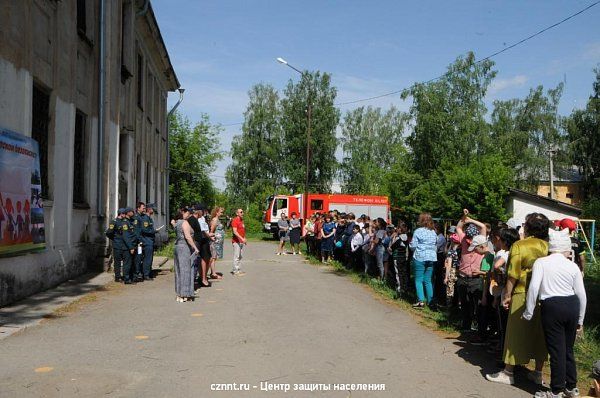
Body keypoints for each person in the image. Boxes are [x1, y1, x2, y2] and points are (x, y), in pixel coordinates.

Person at [486, 212, 550, 386]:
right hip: (544, 295)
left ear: (528, 227)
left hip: (522, 292)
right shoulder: (548, 246)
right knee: (539, 334)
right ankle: (538, 372)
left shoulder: (520, 245)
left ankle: (508, 372)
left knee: (514, 332)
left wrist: (506, 295)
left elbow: (513, 273)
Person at [523, 227, 587, 398]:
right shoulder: (572, 266)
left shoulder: (541, 262)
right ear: (565, 248)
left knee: (556, 349)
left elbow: (534, 288)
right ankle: (571, 387)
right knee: (568, 348)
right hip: (572, 304)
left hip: (552, 306)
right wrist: (581, 317)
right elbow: (581, 294)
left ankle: (556, 390)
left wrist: (529, 312)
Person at [455, 209, 487, 332]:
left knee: (477, 304)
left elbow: (483, 226)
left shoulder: (480, 241)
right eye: (467, 238)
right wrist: (464, 217)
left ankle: (477, 325)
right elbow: (459, 227)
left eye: (471, 239)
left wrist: (471, 220)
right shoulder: (463, 239)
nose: (469, 241)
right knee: (464, 303)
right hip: (463, 277)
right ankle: (466, 325)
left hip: (476, 278)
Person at [409, 213, 437, 308]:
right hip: (431, 257)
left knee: (418, 280)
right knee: (428, 280)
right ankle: (431, 301)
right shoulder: (433, 232)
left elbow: (413, 246)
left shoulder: (418, 231)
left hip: (420, 257)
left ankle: (421, 301)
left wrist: (410, 246)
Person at [173, 207, 198, 302]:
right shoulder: (184, 223)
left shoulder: (177, 223)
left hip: (177, 246)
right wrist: (195, 248)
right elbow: (187, 236)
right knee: (185, 270)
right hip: (184, 247)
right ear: (183, 212)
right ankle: (185, 294)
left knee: (178, 270)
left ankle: (179, 294)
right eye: (188, 213)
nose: (189, 215)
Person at [105, 208, 126, 282]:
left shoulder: (124, 221)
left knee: (125, 260)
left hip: (124, 245)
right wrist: (114, 239)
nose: (125, 215)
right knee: (117, 261)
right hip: (117, 245)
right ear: (121, 214)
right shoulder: (114, 222)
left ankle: (124, 275)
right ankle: (117, 276)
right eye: (124, 213)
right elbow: (108, 233)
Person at [391, 221, 410, 295]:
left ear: (400, 229)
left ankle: (400, 289)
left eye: (397, 228)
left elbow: (391, 247)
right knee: (404, 273)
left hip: (397, 257)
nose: (396, 229)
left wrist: (394, 238)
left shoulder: (398, 239)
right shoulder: (406, 238)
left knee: (398, 274)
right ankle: (405, 288)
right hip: (404, 258)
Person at [139, 203, 157, 281]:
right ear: (149, 209)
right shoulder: (145, 218)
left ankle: (148, 272)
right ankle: (146, 274)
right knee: (147, 258)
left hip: (150, 241)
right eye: (153, 209)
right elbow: (144, 229)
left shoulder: (149, 218)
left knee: (149, 258)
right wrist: (154, 231)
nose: (154, 210)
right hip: (147, 241)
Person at [121, 207, 138, 284]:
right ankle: (126, 279)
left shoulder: (131, 221)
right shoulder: (125, 222)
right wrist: (130, 247)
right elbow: (126, 236)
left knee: (132, 263)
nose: (133, 213)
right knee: (127, 263)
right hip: (127, 247)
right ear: (127, 213)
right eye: (131, 211)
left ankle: (132, 277)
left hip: (133, 245)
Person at [444, 233, 461, 307]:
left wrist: (446, 277)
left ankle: (449, 306)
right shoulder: (461, 251)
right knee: (460, 290)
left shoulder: (451, 252)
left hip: (452, 271)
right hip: (460, 271)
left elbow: (449, 265)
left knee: (450, 290)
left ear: (452, 242)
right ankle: (459, 305)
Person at [131, 202, 146, 282]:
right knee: (137, 258)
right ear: (138, 208)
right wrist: (140, 241)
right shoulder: (137, 218)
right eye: (143, 208)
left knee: (139, 257)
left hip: (140, 240)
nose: (144, 209)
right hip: (138, 242)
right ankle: (136, 274)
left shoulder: (140, 217)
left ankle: (137, 273)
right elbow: (137, 231)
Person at [209, 207, 225, 279]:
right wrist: (212, 237)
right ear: (216, 212)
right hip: (215, 242)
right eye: (221, 212)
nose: (222, 213)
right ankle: (213, 273)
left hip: (218, 242)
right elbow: (211, 230)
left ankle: (213, 272)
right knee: (213, 257)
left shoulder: (217, 219)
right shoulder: (215, 220)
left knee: (214, 257)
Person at [231, 208, 247, 275]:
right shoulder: (235, 220)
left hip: (241, 241)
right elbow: (235, 232)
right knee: (236, 256)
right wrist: (241, 238)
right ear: (237, 213)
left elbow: (242, 231)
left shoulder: (241, 220)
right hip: (236, 241)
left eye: (242, 212)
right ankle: (235, 271)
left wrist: (244, 238)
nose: (242, 213)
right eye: (241, 212)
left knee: (240, 256)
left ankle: (239, 269)